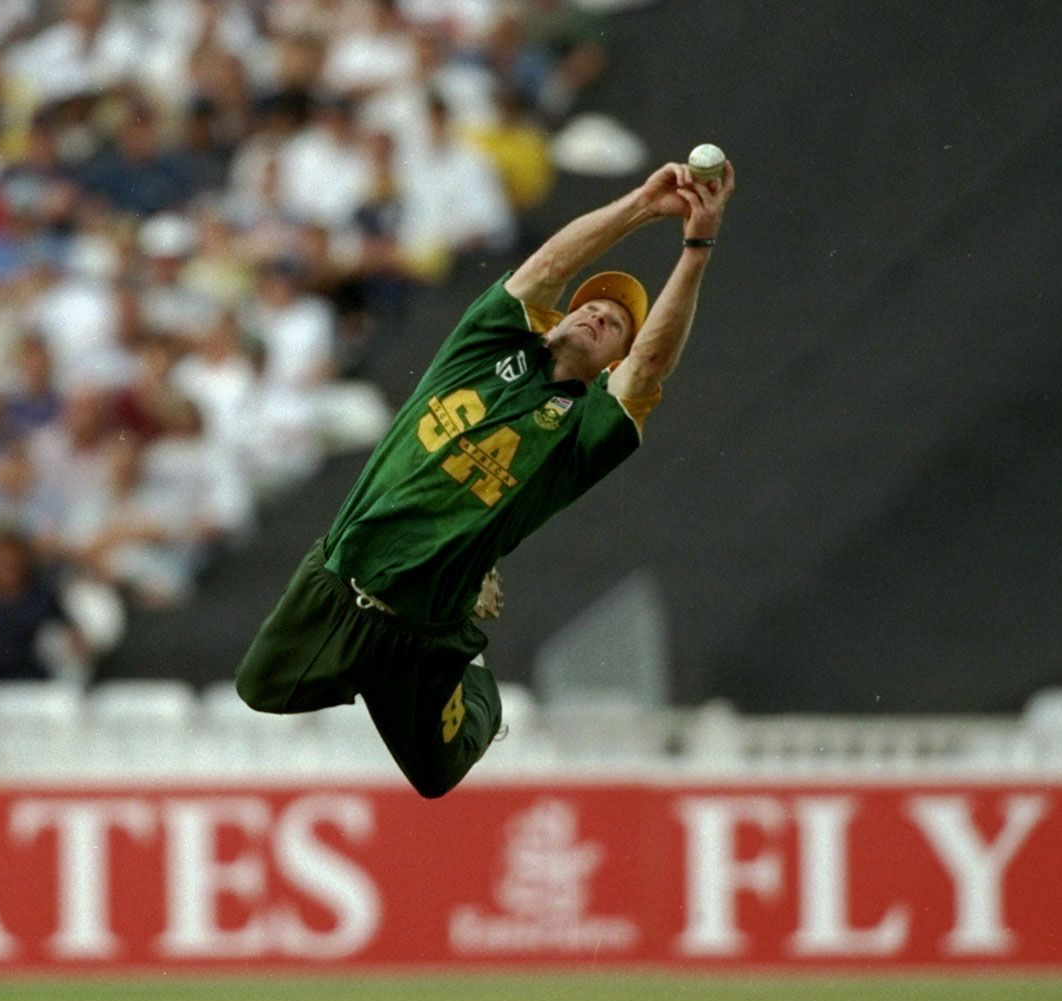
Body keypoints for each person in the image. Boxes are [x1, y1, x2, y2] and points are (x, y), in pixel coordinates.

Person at [236, 157, 735, 797]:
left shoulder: (583, 435)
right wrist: (641, 203)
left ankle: (471, 670)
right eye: (591, 306)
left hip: (425, 633)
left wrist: (695, 247)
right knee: (260, 689)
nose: (599, 315)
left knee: (437, 776)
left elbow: (652, 364)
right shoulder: (482, 348)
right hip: (342, 581)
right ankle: (431, 612)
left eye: (616, 325)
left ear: (613, 364)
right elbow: (551, 268)